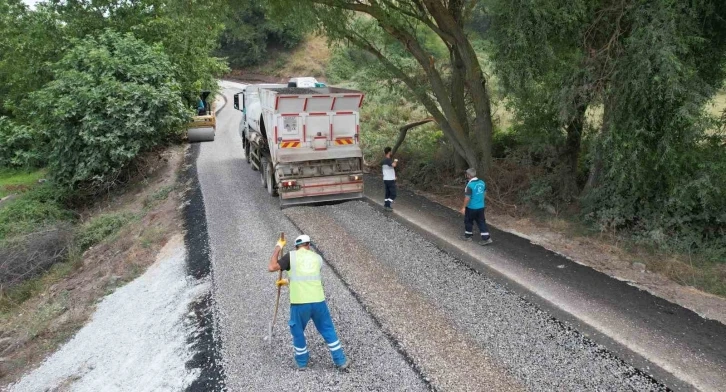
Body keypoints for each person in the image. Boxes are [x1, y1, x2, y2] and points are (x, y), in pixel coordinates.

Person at [268, 234, 349, 371]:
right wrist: (287, 282)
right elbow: (308, 277)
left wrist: (278, 247)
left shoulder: (291, 256)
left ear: (296, 246)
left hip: (300, 303)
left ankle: (301, 362)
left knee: (297, 331)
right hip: (318, 301)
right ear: (308, 245)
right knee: (328, 329)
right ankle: (340, 360)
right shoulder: (317, 259)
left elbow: (272, 267)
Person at [460, 168, 492, 245]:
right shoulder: (482, 182)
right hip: (481, 207)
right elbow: (484, 193)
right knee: (481, 222)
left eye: (466, 174)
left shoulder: (470, 185)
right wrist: (480, 201)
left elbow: (467, 198)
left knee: (468, 221)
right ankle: (486, 238)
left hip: (471, 208)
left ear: (469, 175)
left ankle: (468, 236)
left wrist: (464, 207)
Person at [381, 147, 398, 211]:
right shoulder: (388, 160)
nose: (391, 153)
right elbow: (394, 165)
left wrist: (394, 176)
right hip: (390, 180)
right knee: (393, 194)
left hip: (386, 179)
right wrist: (395, 161)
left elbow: (388, 170)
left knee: (387, 193)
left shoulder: (383, 161)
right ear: (389, 152)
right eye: (390, 151)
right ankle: (387, 205)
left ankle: (386, 205)